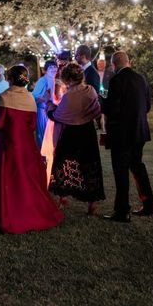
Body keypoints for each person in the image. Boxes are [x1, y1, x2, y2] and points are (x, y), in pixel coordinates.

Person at [0, 65, 64, 234]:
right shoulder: (30, 98)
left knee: (10, 180)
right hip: (27, 146)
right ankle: (29, 210)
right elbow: (33, 125)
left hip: (9, 145)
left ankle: (10, 214)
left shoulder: (3, 97)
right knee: (27, 180)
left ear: (10, 78)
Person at [100, 51, 153, 222]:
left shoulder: (117, 80)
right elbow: (147, 105)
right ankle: (149, 204)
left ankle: (122, 210)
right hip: (139, 131)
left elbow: (112, 108)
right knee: (137, 166)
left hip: (122, 133)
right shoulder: (141, 79)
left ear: (114, 65)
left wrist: (102, 101)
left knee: (121, 171)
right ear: (129, 62)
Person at [48, 63, 105, 215]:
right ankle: (91, 202)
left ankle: (63, 197)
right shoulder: (90, 90)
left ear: (68, 78)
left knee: (63, 161)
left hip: (71, 133)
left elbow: (57, 116)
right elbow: (96, 110)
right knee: (89, 164)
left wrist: (49, 105)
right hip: (88, 132)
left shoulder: (69, 95)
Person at [41, 78, 66, 186]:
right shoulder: (53, 104)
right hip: (53, 128)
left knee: (55, 157)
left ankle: (55, 180)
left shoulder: (54, 103)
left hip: (58, 127)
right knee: (51, 156)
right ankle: (50, 181)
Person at [32, 60, 58, 146]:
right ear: (46, 70)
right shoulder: (42, 81)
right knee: (44, 136)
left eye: (55, 67)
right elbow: (34, 96)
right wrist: (46, 99)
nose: (53, 69)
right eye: (51, 67)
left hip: (53, 111)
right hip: (43, 111)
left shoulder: (56, 80)